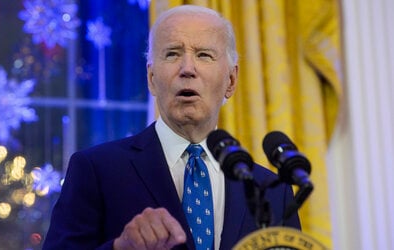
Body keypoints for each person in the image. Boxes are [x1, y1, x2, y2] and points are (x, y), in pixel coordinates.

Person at [43, 5, 300, 250]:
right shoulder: (96, 170)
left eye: (204, 55)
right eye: (172, 54)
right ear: (152, 79)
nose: (187, 69)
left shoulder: (273, 192)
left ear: (231, 81)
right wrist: (121, 248)